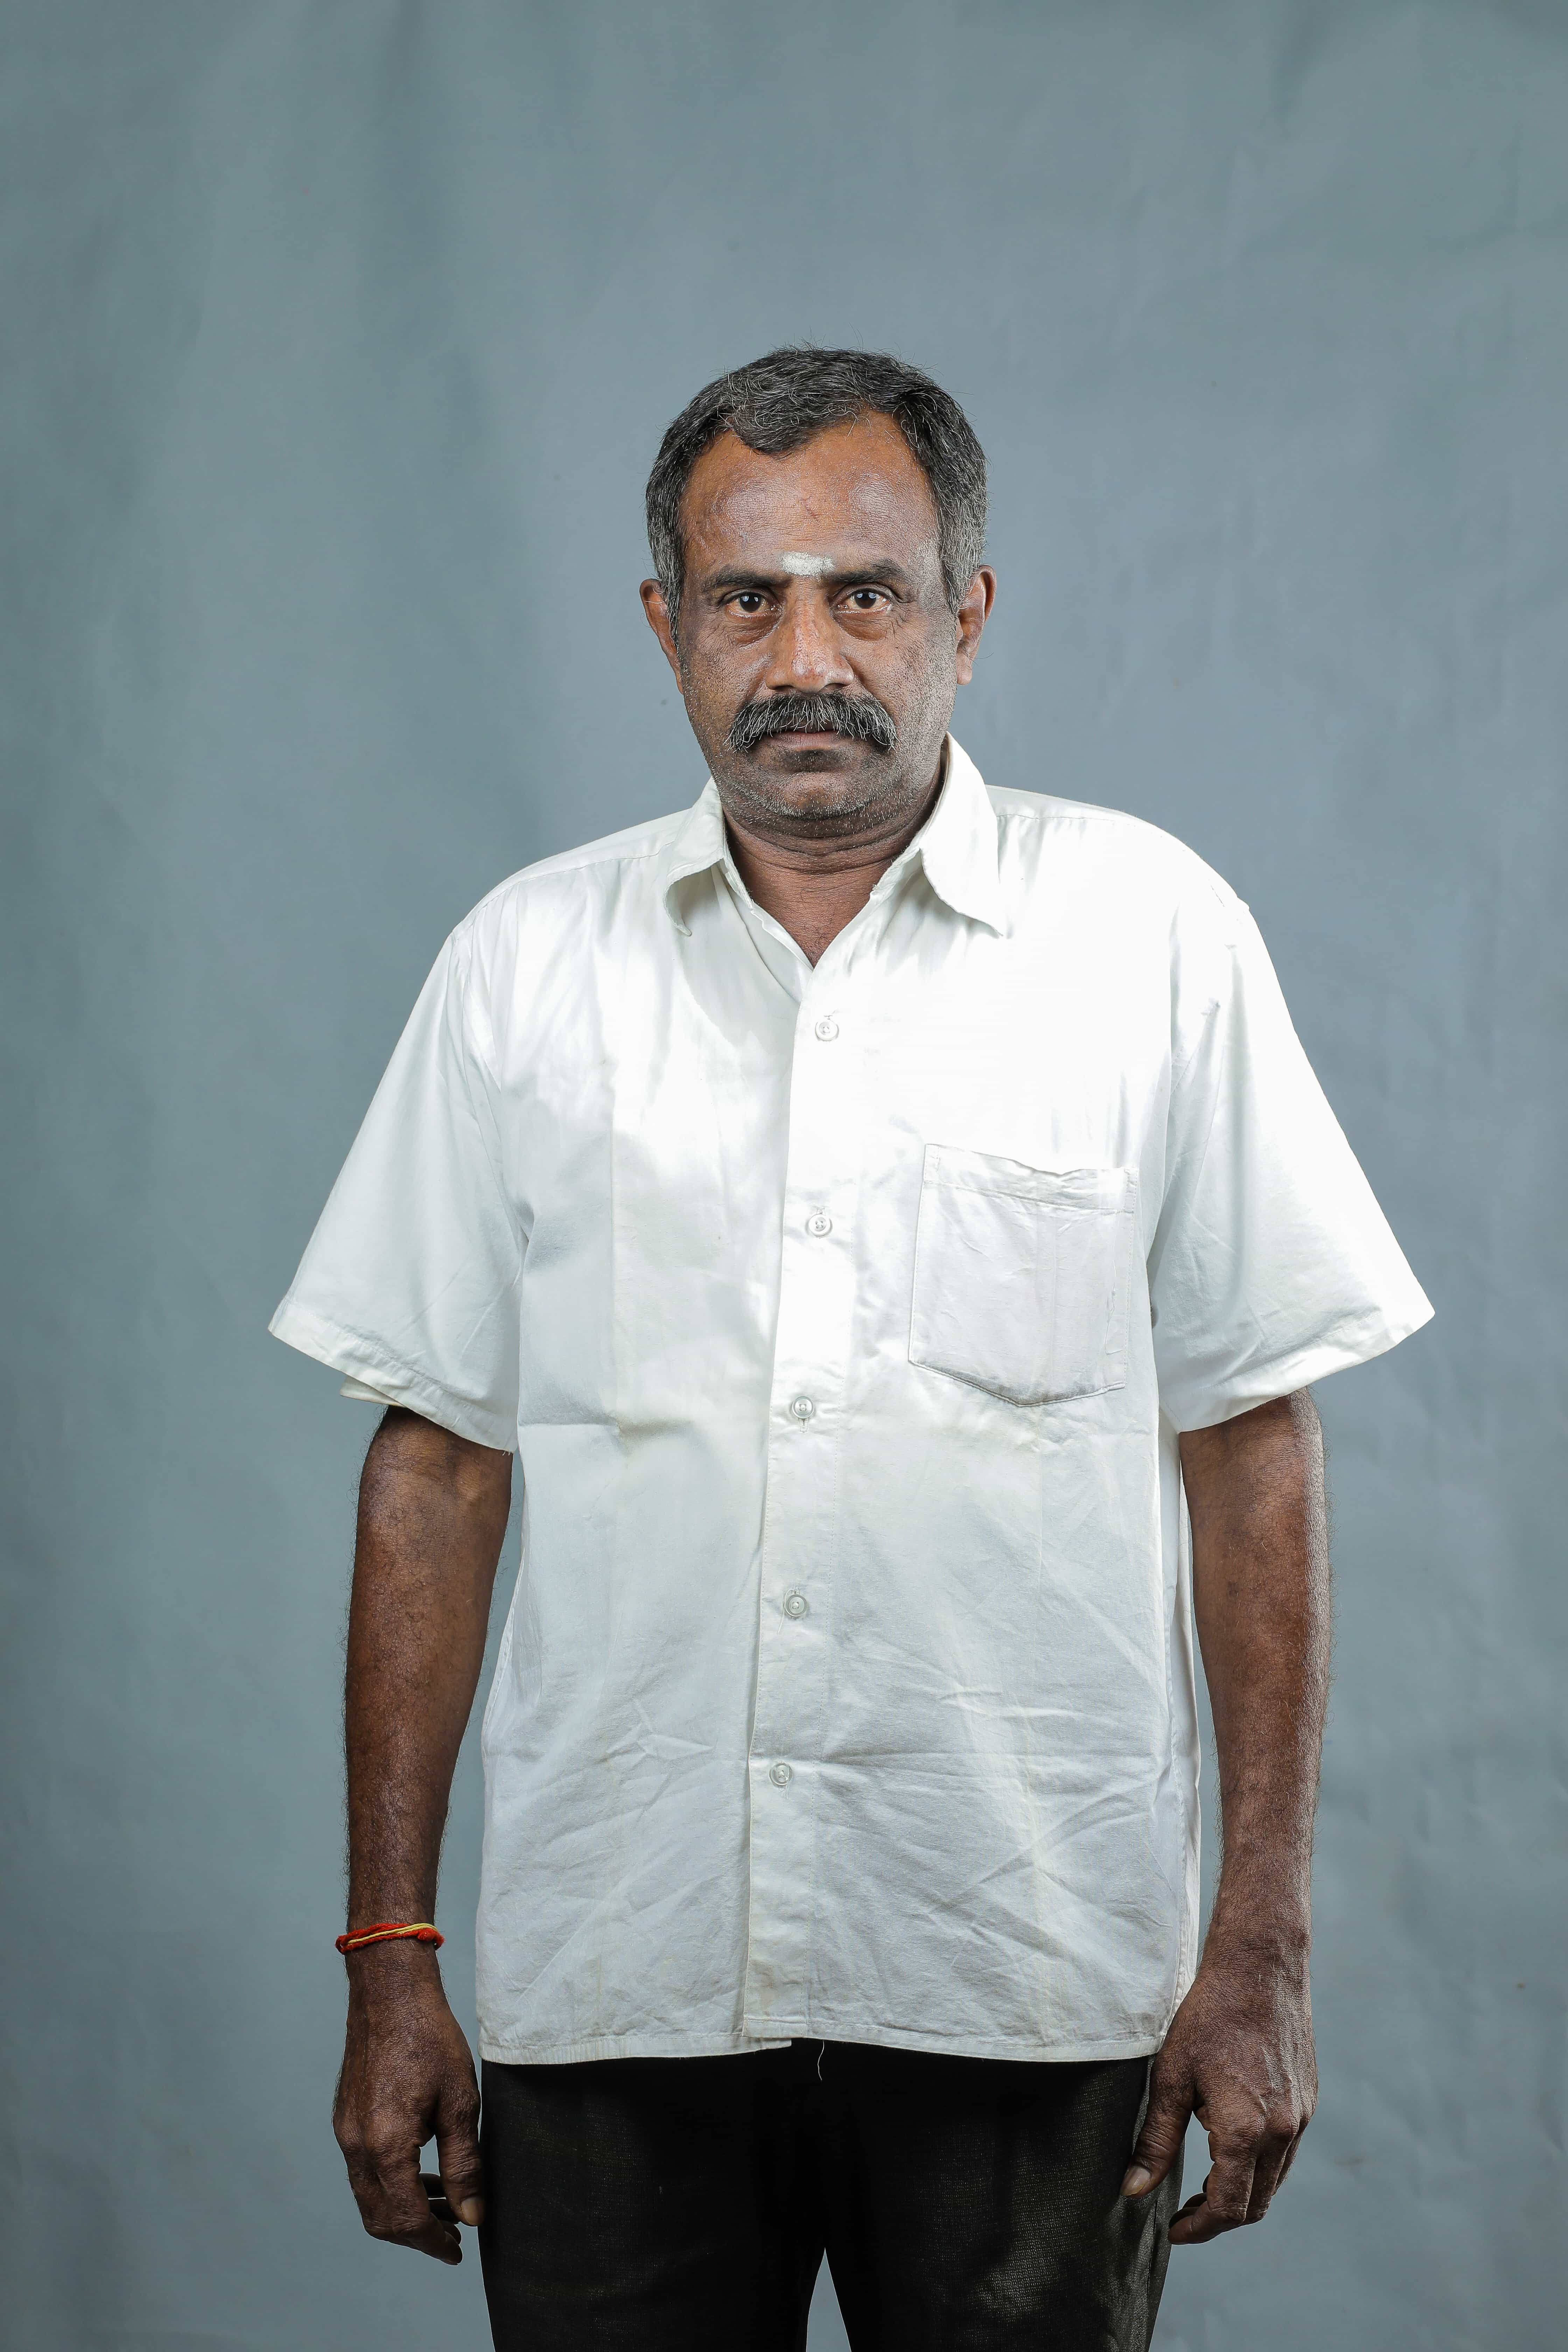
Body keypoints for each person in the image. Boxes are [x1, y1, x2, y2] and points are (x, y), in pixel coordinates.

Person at [270, 346, 1432, 2350]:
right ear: (667, 627)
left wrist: (1261, 1944)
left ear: (965, 613)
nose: (805, 657)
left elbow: (1251, 1440)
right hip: (614, 1975)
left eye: (865, 593)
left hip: (1031, 1979)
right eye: (748, 598)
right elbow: (438, 1467)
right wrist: (392, 1954)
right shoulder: (523, 967)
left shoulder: (1151, 939)